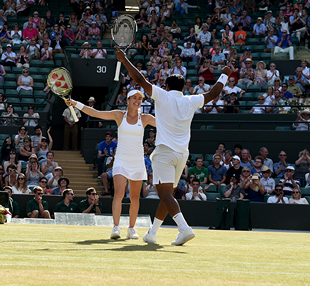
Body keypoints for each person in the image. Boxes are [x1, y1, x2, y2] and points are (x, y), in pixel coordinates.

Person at [115, 45, 233, 245]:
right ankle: (152, 233)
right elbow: (213, 94)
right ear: (183, 88)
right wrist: (224, 76)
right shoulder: (191, 100)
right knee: (167, 194)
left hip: (164, 154)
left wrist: (124, 59)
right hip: (181, 155)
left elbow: (140, 80)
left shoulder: (162, 95)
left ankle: (184, 228)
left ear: (167, 87)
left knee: (165, 193)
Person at [67, 86, 155, 240]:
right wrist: (76, 104)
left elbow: (166, 124)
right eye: (134, 98)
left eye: (140, 98)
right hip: (121, 159)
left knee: (135, 197)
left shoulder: (146, 118)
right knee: (119, 193)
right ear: (127, 100)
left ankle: (131, 229)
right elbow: (95, 113)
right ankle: (116, 227)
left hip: (137, 161)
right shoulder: (119, 115)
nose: (137, 100)